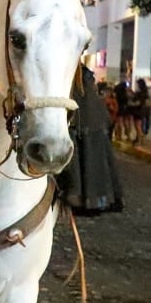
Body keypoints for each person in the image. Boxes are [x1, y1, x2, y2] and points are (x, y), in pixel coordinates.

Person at [60, 62, 124, 214]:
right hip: (93, 130)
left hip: (82, 128)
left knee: (83, 163)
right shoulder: (89, 89)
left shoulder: (75, 83)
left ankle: (82, 199)